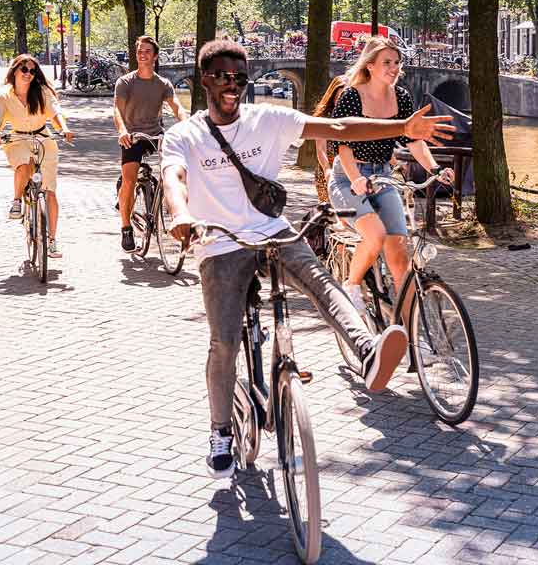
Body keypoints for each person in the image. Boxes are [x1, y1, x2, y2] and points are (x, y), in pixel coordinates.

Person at [161, 39, 454, 478]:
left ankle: (368, 350)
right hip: (219, 242)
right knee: (223, 341)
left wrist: (399, 130)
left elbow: (338, 130)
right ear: (204, 79)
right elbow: (174, 177)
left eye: (240, 78)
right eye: (223, 76)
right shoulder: (185, 135)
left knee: (321, 282)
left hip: (271, 230)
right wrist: (182, 214)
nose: (232, 86)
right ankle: (221, 429)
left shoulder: (270, 119)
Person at [328, 37, 454, 314]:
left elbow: (415, 142)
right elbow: (342, 146)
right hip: (348, 177)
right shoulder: (352, 96)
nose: (394, 68)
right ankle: (351, 284)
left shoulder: (402, 97)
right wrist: (356, 179)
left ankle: (409, 327)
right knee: (375, 236)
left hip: (383, 176)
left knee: (399, 252)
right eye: (387, 62)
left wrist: (435, 169)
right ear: (370, 65)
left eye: (397, 62)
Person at [0, 54, 75, 258]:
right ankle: (17, 201)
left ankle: (52, 240)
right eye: (24, 69)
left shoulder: (42, 92)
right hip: (18, 138)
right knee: (24, 165)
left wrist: (64, 128)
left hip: (43, 138)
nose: (28, 74)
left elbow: (55, 112)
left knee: (50, 191)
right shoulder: (4, 95)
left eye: (32, 71)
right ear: (15, 71)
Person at [113, 35, 189, 252]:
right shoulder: (126, 82)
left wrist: (186, 126)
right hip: (133, 137)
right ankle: (126, 227)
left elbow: (176, 107)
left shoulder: (163, 84)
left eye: (147, 51)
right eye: (139, 51)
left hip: (157, 135)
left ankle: (177, 211)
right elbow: (117, 110)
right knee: (129, 179)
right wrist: (122, 130)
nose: (142, 55)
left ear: (155, 56)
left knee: (176, 171)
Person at [312, 76, 346, 203]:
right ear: (333, 95)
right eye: (341, 97)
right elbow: (321, 150)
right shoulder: (324, 118)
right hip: (328, 170)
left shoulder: (356, 117)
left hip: (351, 170)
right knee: (331, 212)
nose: (345, 101)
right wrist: (327, 170)